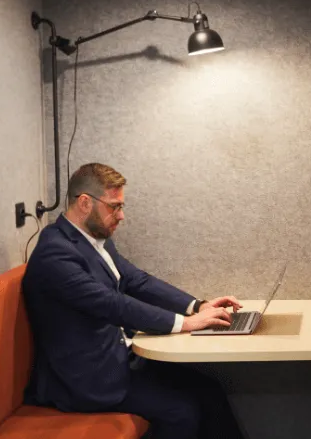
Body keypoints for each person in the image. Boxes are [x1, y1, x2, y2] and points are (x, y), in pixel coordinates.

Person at [22, 162, 245, 439]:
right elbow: (112, 305)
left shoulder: (93, 237)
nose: (122, 215)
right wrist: (187, 324)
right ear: (84, 203)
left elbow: (135, 280)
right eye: (114, 206)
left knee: (210, 390)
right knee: (182, 411)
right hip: (87, 380)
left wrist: (198, 306)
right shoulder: (55, 254)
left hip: (120, 359)